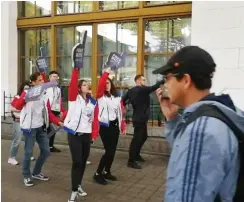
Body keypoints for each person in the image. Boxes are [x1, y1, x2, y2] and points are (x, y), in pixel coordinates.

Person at [154, 46, 244, 202]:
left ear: (186, 80)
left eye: (168, 78)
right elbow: (186, 152)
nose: (165, 85)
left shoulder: (201, 131)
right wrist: (172, 118)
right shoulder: (221, 112)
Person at [13, 72, 63, 187]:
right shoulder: (27, 93)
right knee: (28, 152)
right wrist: (25, 98)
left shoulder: (44, 94)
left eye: (42, 80)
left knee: (46, 151)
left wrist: (57, 121)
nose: (42, 82)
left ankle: (36, 172)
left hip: (41, 127)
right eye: (40, 80)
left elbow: (48, 111)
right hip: (29, 128)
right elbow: (17, 106)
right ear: (34, 82)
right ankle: (26, 175)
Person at [63, 67, 96, 202]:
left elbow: (93, 119)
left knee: (82, 162)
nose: (86, 86)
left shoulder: (92, 101)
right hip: (74, 134)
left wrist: (94, 133)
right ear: (78, 87)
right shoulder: (73, 98)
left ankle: (78, 185)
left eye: (87, 84)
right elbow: (73, 83)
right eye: (83, 84)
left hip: (86, 135)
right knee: (77, 161)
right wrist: (76, 68)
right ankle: (74, 190)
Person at [92, 67, 126, 185]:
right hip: (104, 126)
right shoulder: (101, 97)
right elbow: (101, 84)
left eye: (108, 83)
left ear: (111, 85)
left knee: (112, 151)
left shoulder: (116, 97)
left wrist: (122, 126)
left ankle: (107, 171)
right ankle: (97, 174)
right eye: (104, 83)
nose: (106, 85)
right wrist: (106, 73)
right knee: (109, 151)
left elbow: (120, 112)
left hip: (114, 126)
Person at [122, 74, 161, 169]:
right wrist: (163, 79)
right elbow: (155, 87)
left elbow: (122, 100)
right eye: (143, 80)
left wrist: (125, 106)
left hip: (140, 118)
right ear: (138, 81)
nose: (145, 81)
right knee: (137, 139)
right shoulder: (142, 89)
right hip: (140, 118)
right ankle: (131, 160)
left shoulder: (131, 90)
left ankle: (136, 155)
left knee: (143, 137)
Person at [8, 81, 35, 165]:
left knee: (29, 140)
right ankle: (11, 158)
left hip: (28, 122)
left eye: (29, 88)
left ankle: (28, 155)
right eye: (25, 88)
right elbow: (11, 108)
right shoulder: (18, 97)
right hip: (18, 121)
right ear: (22, 89)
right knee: (17, 140)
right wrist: (20, 109)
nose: (27, 90)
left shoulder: (31, 98)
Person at [44, 70, 67, 152]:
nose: (55, 78)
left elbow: (59, 100)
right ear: (49, 78)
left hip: (55, 110)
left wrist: (61, 110)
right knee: (48, 129)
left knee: (53, 129)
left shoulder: (58, 88)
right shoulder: (45, 87)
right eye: (53, 76)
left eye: (56, 77)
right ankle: (45, 146)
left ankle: (50, 146)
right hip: (46, 111)